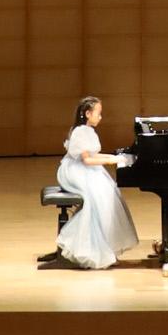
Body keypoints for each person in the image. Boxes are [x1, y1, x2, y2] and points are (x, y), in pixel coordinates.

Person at [50, 96, 138, 270]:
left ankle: (103, 243)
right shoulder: (80, 132)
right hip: (74, 171)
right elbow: (87, 160)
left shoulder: (88, 131)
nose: (100, 117)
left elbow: (92, 155)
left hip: (84, 169)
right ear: (87, 113)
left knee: (107, 192)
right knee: (97, 197)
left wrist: (113, 157)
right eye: (98, 113)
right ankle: (84, 246)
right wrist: (111, 161)